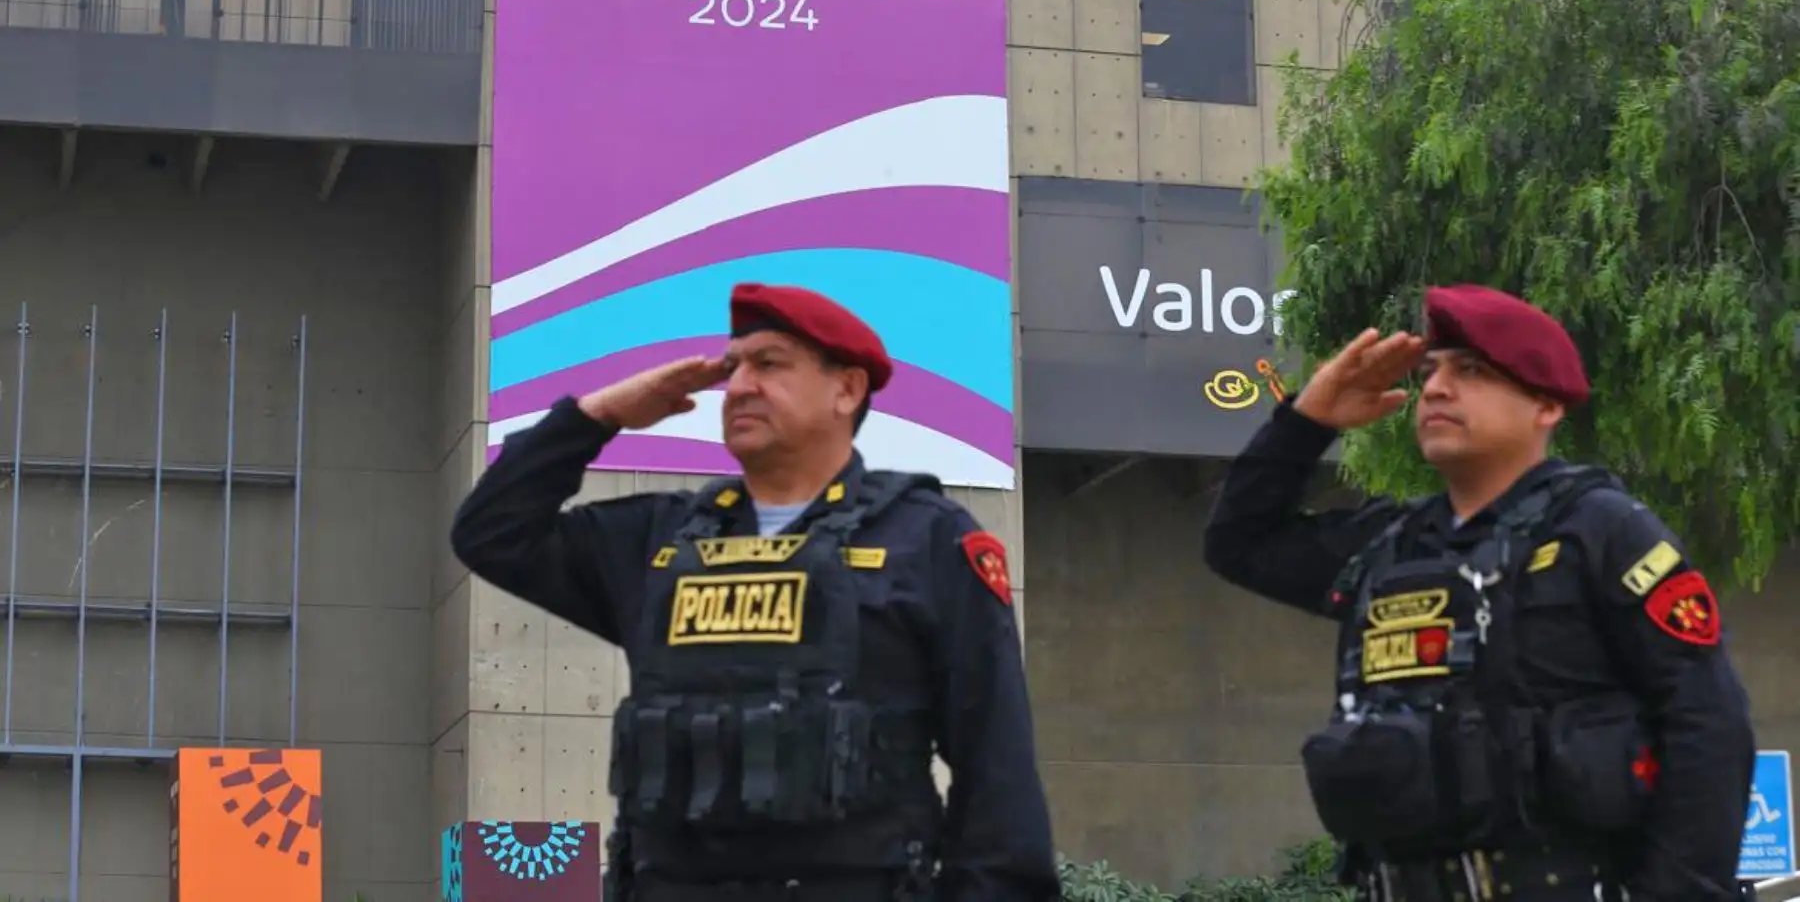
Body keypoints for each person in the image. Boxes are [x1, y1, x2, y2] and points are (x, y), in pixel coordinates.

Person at [451, 282, 1059, 902]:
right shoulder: (657, 540)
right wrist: (595, 416)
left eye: (770, 364)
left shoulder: (926, 539)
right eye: (733, 367)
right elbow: (491, 535)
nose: (739, 385)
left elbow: (996, 769)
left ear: (846, 390)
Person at [1202, 284, 1757, 902]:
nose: (1436, 389)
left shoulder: (1602, 532)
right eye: (1430, 372)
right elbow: (1239, 543)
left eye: (1472, 371)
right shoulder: (1392, 543)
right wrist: (1305, 422)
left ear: (1545, 405)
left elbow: (1708, 724)